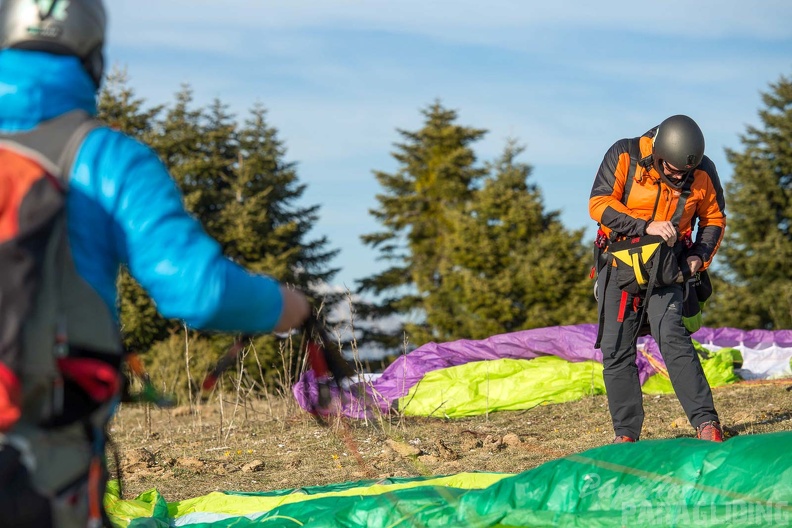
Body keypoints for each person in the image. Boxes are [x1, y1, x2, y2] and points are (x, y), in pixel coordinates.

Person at [0, 0, 310, 526]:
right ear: (93, 57)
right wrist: (289, 307)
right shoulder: (105, 158)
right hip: (43, 451)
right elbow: (199, 290)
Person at [589, 114, 726, 444]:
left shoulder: (703, 173)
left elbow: (714, 219)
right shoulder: (624, 154)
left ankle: (707, 423)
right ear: (659, 154)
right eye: (673, 170)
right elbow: (598, 204)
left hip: (668, 267)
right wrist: (643, 226)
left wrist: (698, 258)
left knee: (672, 334)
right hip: (621, 262)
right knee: (616, 348)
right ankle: (626, 435)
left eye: (685, 173)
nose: (679, 176)